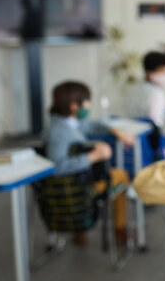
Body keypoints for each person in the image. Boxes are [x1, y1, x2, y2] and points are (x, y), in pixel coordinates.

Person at [45, 81, 134, 245]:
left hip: (75, 184)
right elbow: (57, 166)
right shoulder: (61, 132)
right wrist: (94, 156)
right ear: (74, 106)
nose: (89, 105)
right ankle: (120, 232)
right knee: (121, 175)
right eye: (87, 101)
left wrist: (114, 130)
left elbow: (89, 125)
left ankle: (81, 232)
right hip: (78, 188)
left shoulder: (63, 123)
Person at [125, 51, 165, 128]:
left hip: (129, 132)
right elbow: (155, 123)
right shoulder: (157, 94)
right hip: (147, 137)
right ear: (149, 73)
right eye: (163, 71)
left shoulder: (133, 88)